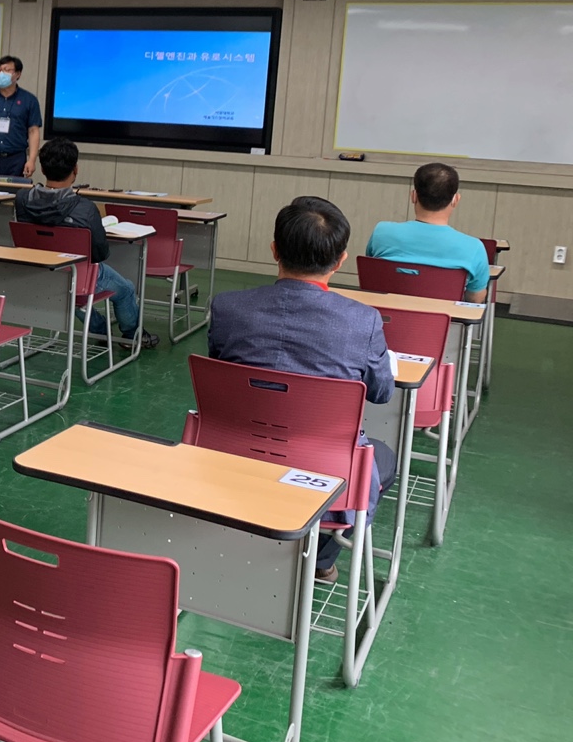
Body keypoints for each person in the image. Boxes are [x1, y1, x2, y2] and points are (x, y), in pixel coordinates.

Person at [207, 195, 397, 584]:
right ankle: (321, 559)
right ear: (341, 260)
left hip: (235, 456)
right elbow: (381, 393)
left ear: (274, 250)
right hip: (324, 473)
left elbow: (220, 376)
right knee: (382, 457)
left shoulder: (227, 308)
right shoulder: (362, 321)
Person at [14, 138, 160, 349]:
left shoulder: (22, 199)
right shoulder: (85, 208)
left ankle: (101, 331)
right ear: (76, 169)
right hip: (78, 276)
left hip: (38, 274)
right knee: (126, 289)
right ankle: (131, 336)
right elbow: (100, 253)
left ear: (43, 169)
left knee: (66, 288)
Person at [366, 162, 489, 301]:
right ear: (455, 200)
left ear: (413, 196)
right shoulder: (474, 248)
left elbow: (372, 277)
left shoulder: (381, 232)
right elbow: (475, 299)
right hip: (442, 315)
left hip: (383, 312)